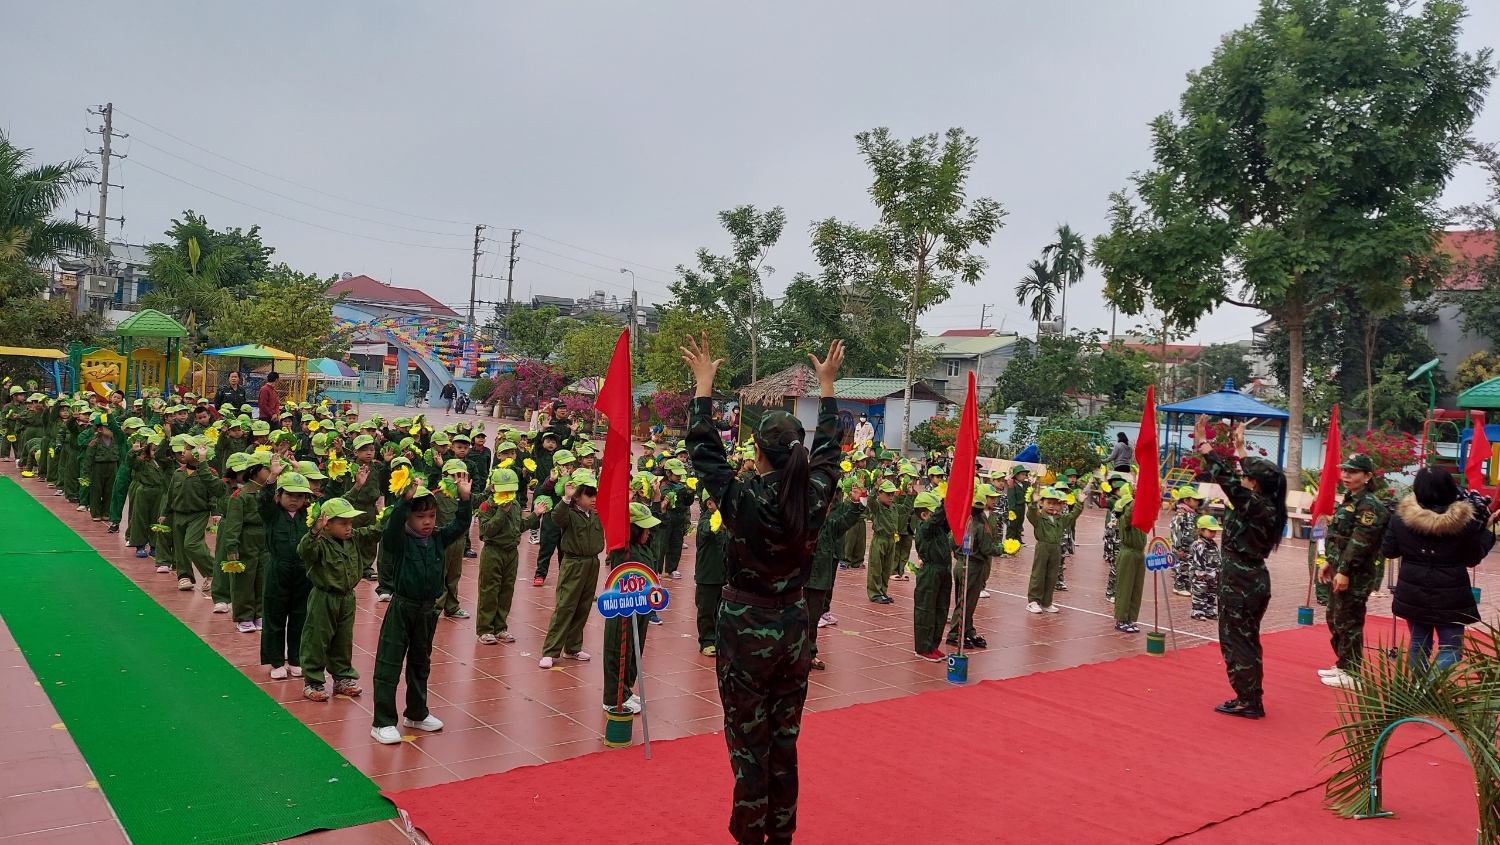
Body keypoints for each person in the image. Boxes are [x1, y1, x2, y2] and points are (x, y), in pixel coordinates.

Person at [684, 332, 845, 845]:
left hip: (745, 630)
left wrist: (703, 388)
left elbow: (704, 451)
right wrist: (827, 386)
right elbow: (831, 449)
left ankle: (751, 836)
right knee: (784, 740)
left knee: (748, 746)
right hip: (795, 628)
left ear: (756, 450)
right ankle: (781, 836)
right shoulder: (815, 493)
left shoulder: (742, 499)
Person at [1195, 414, 1287, 719]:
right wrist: (1240, 447)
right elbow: (1244, 478)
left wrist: (1206, 446)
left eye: (1247, 476)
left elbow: (1229, 481)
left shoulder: (1255, 504)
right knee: (1246, 637)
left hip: (1240, 581)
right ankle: (1250, 696)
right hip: (1251, 579)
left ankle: (1248, 700)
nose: (1242, 477)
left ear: (1255, 484)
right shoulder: (1267, 502)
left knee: (1237, 640)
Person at [370, 474, 474, 744]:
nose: (428, 522)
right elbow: (392, 527)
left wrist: (464, 499)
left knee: (420, 662)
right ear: (408, 518)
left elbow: (462, 524)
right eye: (420, 517)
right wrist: (404, 502)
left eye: (431, 515)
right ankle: (382, 722)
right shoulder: (399, 540)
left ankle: (416, 713)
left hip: (428, 611)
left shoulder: (439, 539)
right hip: (402, 608)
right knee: (389, 664)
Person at [1381, 467, 1498, 672]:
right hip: (1451, 592)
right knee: (1452, 649)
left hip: (1412, 590)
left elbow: (1389, 550)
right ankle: (1426, 689)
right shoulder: (1464, 521)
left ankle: (1418, 697)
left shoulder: (1399, 518)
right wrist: (1487, 532)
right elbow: (1472, 558)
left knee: (1419, 643)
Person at [1316, 452, 1391, 689]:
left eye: (1353, 471)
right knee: (1335, 617)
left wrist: (1345, 570)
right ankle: (1343, 664)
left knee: (1349, 620)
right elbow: (1341, 537)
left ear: (1368, 476)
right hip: (1341, 567)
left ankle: (1352, 672)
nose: (1346, 475)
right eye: (1345, 470)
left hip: (1356, 572)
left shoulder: (1369, 505)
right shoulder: (1351, 500)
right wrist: (1330, 561)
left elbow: (1360, 541)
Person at [298, 495, 382, 702]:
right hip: (324, 598)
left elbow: (375, 532)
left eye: (351, 523)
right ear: (327, 525)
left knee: (343, 639)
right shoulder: (318, 542)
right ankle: (313, 680)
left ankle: (342, 677)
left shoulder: (353, 538)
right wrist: (314, 531)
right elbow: (304, 551)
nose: (348, 528)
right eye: (343, 523)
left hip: (347, 598)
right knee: (317, 638)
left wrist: (393, 512)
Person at [539, 469, 604, 668]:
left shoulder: (595, 514)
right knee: (565, 606)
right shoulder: (569, 514)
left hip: (592, 563)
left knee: (583, 606)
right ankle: (550, 651)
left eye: (595, 495)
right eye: (589, 495)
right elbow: (557, 517)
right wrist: (566, 499)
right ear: (577, 497)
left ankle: (573, 647)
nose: (593, 499)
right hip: (573, 563)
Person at [603, 502, 661, 714]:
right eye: (643, 528)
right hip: (623, 607)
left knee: (634, 651)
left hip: (641, 605)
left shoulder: (642, 547)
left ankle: (625, 690)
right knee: (619, 649)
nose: (648, 532)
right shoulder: (623, 550)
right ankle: (613, 697)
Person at [475, 468, 540, 645]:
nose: (508, 493)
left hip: (511, 552)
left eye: (511, 489)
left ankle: (500, 627)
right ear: (493, 488)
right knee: (489, 590)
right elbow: (486, 531)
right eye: (504, 489)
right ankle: (485, 629)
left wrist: (536, 515)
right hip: (493, 551)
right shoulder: (487, 506)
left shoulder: (515, 505)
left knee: (506, 590)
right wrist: (501, 512)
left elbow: (519, 526)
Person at [1025, 487, 1083, 614]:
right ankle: (1033, 601)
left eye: (1055, 503)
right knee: (1039, 574)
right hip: (1043, 547)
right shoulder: (1039, 517)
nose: (1052, 506)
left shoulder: (1059, 518)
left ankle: (1047, 602)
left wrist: (1080, 503)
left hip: (1056, 548)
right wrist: (1033, 503)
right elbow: (1030, 514)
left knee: (1052, 575)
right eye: (1049, 503)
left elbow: (1072, 516)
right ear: (1041, 503)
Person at [912, 491, 952, 662]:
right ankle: (923, 647)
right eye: (933, 512)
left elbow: (948, 519)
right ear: (924, 515)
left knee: (940, 610)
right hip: (930, 572)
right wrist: (945, 502)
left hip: (943, 571)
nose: (937, 517)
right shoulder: (924, 529)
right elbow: (937, 519)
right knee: (926, 610)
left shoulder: (940, 528)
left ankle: (933, 644)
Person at [695, 491, 730, 656]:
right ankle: (707, 641)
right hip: (708, 576)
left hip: (724, 575)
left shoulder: (725, 522)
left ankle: (720, 639)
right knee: (706, 610)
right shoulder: (705, 522)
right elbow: (707, 530)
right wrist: (719, 524)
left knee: (721, 610)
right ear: (710, 504)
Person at [1111, 489, 1148, 632]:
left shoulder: (1139, 521)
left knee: (1136, 589)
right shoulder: (1124, 521)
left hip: (1139, 554)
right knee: (1125, 588)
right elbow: (1129, 514)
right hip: (1128, 554)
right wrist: (1137, 498)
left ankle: (1131, 618)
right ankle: (1121, 619)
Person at [1169, 487, 1203, 596]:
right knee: (1181, 567)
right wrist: (1178, 547)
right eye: (1195, 500)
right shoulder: (1181, 512)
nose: (1198, 502)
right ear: (1186, 501)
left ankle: (1187, 586)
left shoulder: (1191, 513)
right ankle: (1178, 587)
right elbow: (1176, 530)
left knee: (1188, 566)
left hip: (1189, 546)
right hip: (1182, 547)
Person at [1189, 515, 1222, 620]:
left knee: (1211, 593)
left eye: (1214, 531)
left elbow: (1218, 557)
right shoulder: (1198, 544)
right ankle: (1197, 611)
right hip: (1201, 575)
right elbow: (1198, 559)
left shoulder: (1213, 544)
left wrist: (1219, 570)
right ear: (1201, 530)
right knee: (1200, 593)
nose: (1213, 533)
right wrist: (1200, 572)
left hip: (1213, 575)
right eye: (1210, 530)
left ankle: (1209, 610)